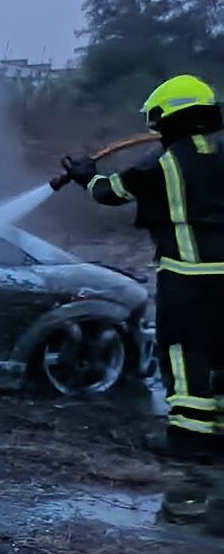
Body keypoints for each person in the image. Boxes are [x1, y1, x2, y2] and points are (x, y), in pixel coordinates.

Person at [62, 74, 224, 456]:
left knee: (186, 355)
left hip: (189, 277)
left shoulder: (164, 163)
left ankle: (190, 442)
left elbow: (112, 191)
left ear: (167, 116)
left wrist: (84, 177)